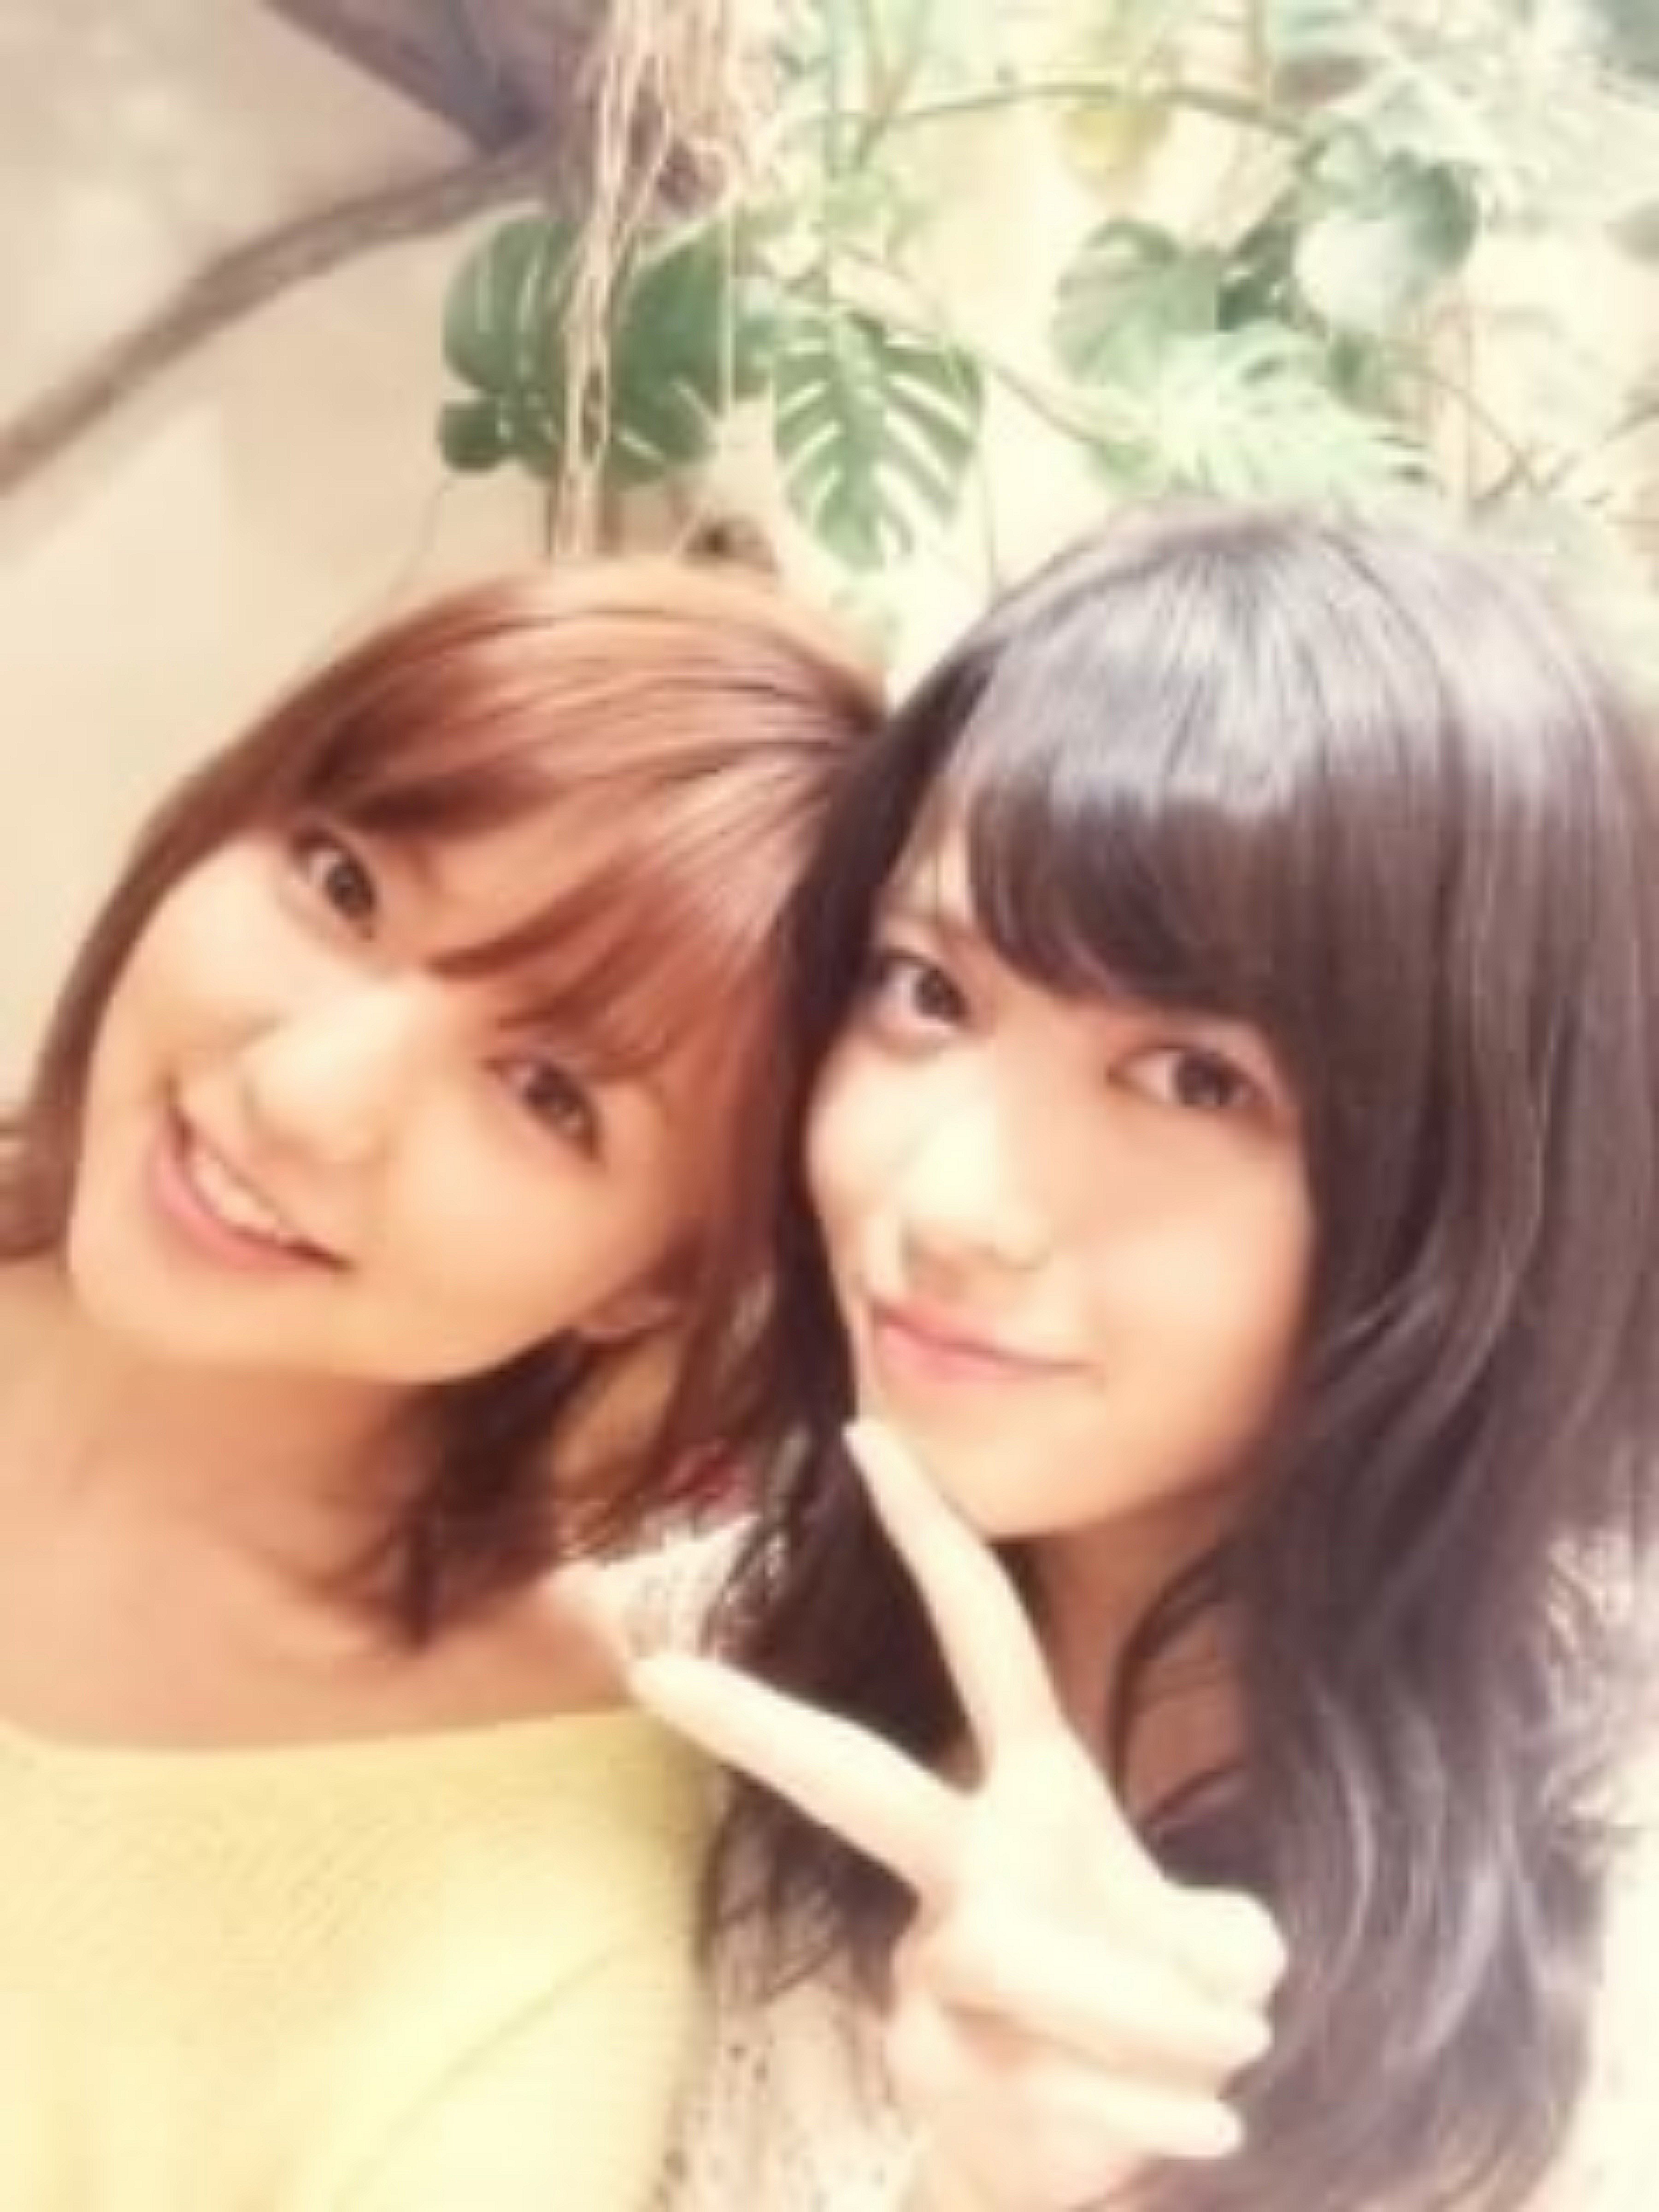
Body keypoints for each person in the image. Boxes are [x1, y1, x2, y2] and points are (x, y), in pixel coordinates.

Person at [631, 504, 1659, 2210]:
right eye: (926, 990)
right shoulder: (669, 1697)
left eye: (1196, 1079)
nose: (951, 1204)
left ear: (1471, 1189)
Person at [0, 558, 880, 2210]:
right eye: (343, 886)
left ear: (657, 1278)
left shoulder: (530, 1943)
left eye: (547, 1093)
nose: (303, 1091)